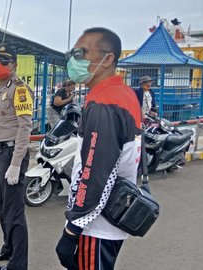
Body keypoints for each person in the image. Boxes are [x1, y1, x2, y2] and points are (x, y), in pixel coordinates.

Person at [55, 27, 142, 270]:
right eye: (72, 53)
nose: (74, 60)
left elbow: (95, 172)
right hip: (111, 215)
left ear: (108, 58)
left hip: (97, 225)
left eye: (81, 53)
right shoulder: (122, 94)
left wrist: (72, 230)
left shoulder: (104, 102)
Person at [0, 44, 34, 270]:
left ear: (14, 65)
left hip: (12, 153)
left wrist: (15, 163)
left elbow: (24, 128)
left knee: (14, 211)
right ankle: (8, 249)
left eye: (4, 61)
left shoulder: (20, 90)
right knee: (2, 206)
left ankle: (18, 266)